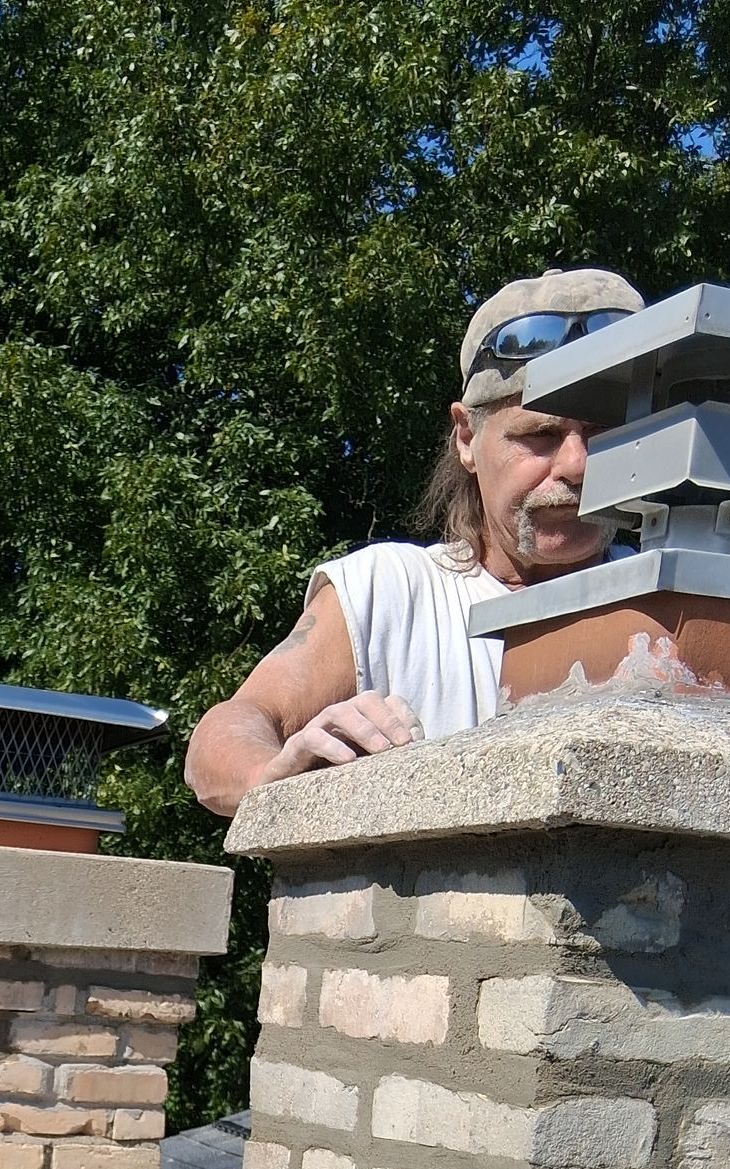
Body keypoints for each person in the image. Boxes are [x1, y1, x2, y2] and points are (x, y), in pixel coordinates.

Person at [183, 267, 645, 817]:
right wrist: (274, 776)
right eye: (539, 436)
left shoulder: (674, 602)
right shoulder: (391, 593)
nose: (577, 465)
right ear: (467, 438)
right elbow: (224, 735)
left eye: (605, 434)